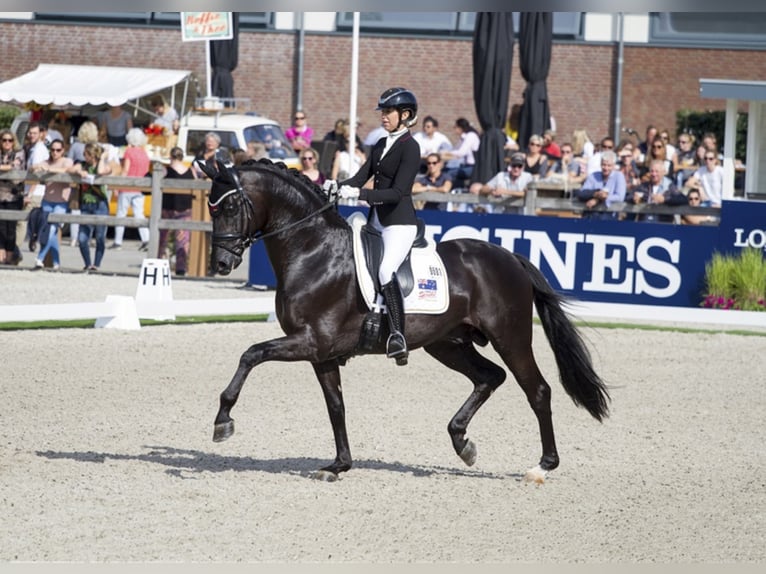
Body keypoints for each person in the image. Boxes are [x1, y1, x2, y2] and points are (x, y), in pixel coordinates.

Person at [331, 87, 421, 366]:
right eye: (382, 112)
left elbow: (398, 193)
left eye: (388, 112)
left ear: (405, 115)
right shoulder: (381, 144)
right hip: (375, 221)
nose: (383, 116)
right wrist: (335, 186)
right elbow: (360, 177)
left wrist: (361, 195)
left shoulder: (411, 147)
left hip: (399, 223)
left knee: (385, 270)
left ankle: (397, 335)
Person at [67, 142, 112, 271]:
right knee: (82, 238)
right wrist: (80, 171)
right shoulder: (83, 164)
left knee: (100, 237)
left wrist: (102, 157)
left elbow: (101, 171)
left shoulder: (103, 165)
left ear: (93, 155)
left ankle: (96, 264)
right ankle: (87, 263)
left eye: (86, 154)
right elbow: (70, 169)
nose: (83, 156)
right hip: (86, 204)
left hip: (100, 204)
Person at [30, 139, 73, 270]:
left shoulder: (67, 161)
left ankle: (40, 258)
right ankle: (56, 262)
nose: (55, 152)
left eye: (58, 150)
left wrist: (49, 169)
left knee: (52, 230)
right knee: (50, 232)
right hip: (47, 200)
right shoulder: (46, 161)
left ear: (63, 150)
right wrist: (37, 167)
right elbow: (32, 168)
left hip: (61, 202)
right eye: (53, 150)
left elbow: (67, 169)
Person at [111, 128, 150, 251]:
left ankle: (118, 242)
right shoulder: (145, 153)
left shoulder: (129, 152)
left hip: (128, 187)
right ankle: (146, 239)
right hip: (140, 187)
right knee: (139, 214)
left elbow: (125, 170)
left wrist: (118, 186)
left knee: (121, 214)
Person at [159, 146, 195, 277]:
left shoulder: (165, 170)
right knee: (183, 239)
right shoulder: (191, 171)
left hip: (167, 208)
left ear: (171, 157)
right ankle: (181, 267)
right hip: (185, 208)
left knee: (162, 238)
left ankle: (160, 263)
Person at [65, 120, 100, 247]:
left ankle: (74, 238)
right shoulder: (98, 147)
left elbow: (69, 162)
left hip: (77, 181)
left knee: (75, 209)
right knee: (91, 210)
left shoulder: (75, 146)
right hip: (92, 183)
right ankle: (88, 237)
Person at [575, 150, 626, 220]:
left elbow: (620, 197)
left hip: (609, 214)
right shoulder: (594, 175)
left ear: (614, 166)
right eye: (603, 165)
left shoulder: (619, 176)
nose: (606, 168)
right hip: (591, 213)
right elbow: (583, 192)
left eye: (609, 165)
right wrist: (596, 194)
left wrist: (599, 200)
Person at [0, 129, 25, 265]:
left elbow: (15, 166)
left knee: (11, 229)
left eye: (10, 140)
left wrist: (6, 167)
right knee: (1, 228)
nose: (7, 143)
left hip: (14, 197)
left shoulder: (19, 153)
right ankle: (1, 257)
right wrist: (7, 167)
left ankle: (9, 258)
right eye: (4, 140)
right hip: (0, 196)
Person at [441, 117, 480, 189]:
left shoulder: (471, 136)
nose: (454, 130)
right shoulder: (463, 138)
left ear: (460, 128)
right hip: (465, 165)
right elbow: (456, 150)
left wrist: (447, 153)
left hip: (472, 167)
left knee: (449, 173)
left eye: (455, 127)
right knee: (444, 170)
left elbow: (461, 153)